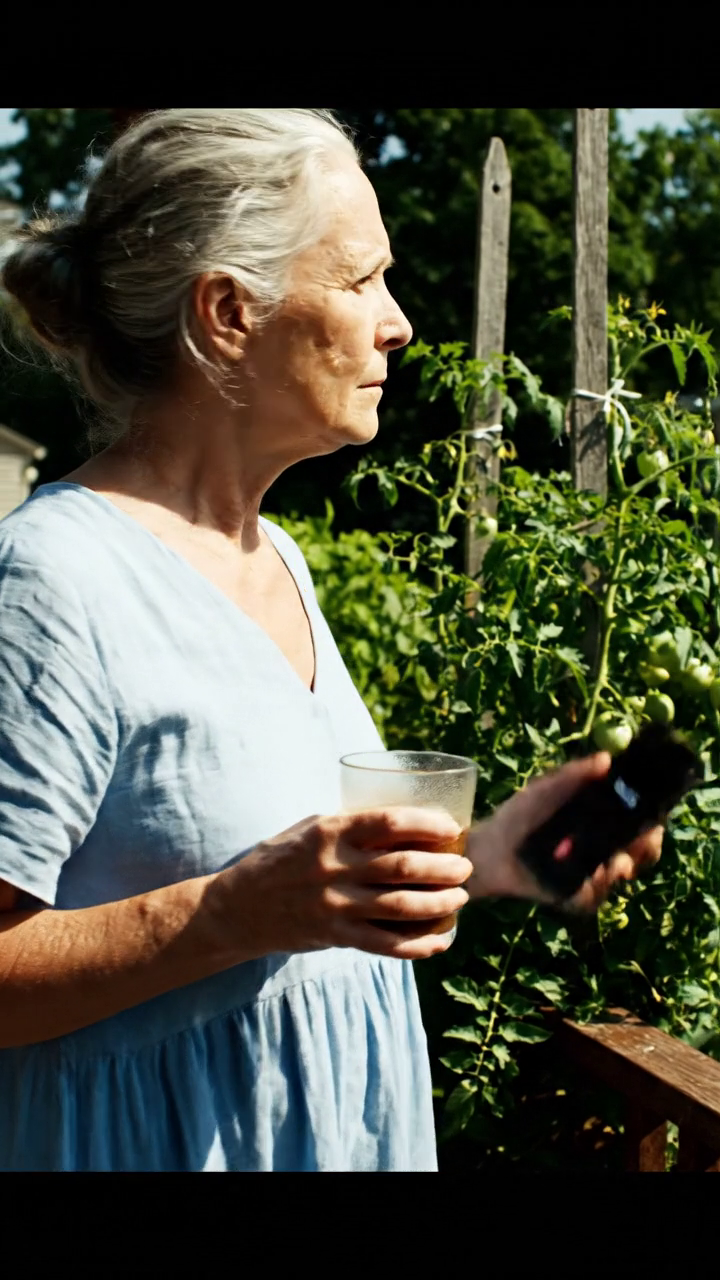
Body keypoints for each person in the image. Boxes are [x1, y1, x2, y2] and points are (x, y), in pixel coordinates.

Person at [0, 108, 662, 1172]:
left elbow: (294, 890)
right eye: (361, 281)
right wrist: (226, 912)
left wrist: (489, 856)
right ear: (228, 312)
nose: (397, 323)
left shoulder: (279, 561)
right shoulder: (56, 581)